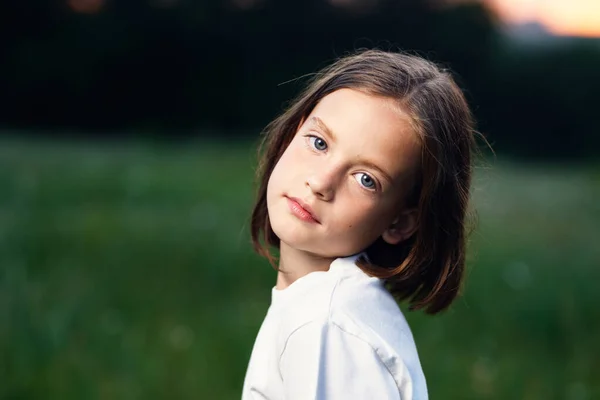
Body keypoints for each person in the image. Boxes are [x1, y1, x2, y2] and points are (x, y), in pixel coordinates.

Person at [242, 49, 478, 400]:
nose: (321, 182)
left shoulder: (326, 323)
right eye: (319, 143)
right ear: (293, 132)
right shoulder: (324, 307)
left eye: (366, 179)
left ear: (400, 222)